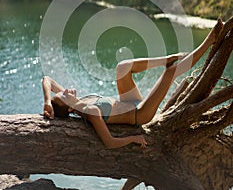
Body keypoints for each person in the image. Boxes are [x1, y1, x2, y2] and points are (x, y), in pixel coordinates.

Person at [43, 19, 223, 149]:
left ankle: (165, 59)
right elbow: (109, 143)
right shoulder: (89, 112)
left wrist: (47, 102)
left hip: (129, 101)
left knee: (122, 67)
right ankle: (209, 41)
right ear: (68, 108)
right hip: (139, 113)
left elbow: (47, 80)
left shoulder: (78, 103)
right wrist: (133, 138)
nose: (65, 90)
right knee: (170, 73)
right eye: (64, 95)